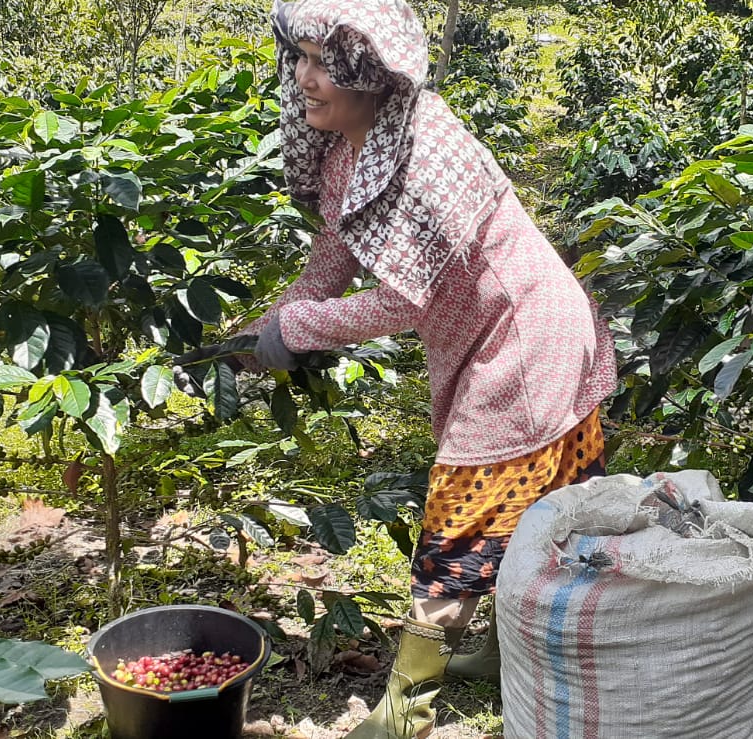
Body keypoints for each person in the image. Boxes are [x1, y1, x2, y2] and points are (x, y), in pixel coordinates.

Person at [184, 1, 616, 736]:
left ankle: (407, 704)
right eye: (300, 58)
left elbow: (399, 300)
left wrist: (299, 328)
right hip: (486, 338)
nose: (303, 77)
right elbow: (329, 264)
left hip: (525, 337)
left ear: (370, 74)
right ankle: (511, 648)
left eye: (323, 61)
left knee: (465, 511)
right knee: (531, 510)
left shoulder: (423, 155)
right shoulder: (348, 153)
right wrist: (256, 330)